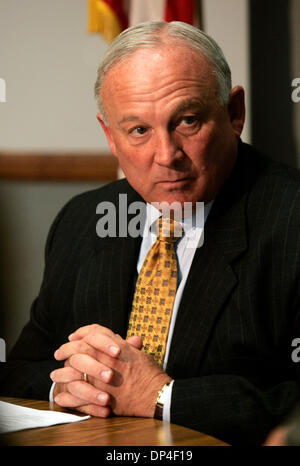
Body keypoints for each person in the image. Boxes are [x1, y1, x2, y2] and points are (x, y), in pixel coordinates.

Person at [1, 20, 300, 446]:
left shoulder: (291, 218)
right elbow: (18, 369)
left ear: (235, 114)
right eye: (139, 130)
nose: (166, 156)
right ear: (110, 135)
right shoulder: (84, 220)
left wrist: (161, 396)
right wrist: (67, 385)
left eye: (188, 121)